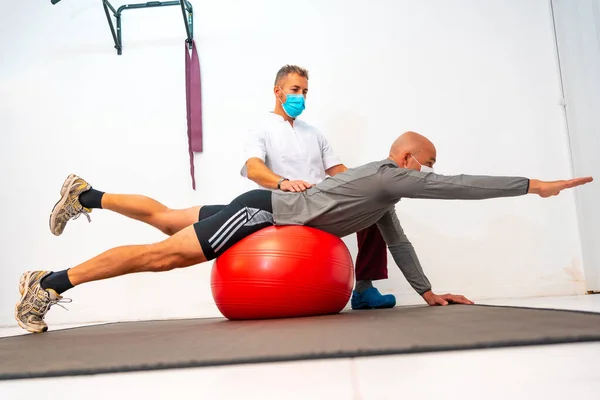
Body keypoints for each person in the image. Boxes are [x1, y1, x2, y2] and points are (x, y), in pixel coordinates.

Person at [16, 131, 592, 333]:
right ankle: (50, 282)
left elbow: (398, 241)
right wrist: (530, 185)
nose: (429, 174)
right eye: (426, 164)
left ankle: (84, 194)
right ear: (408, 157)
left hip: (260, 204)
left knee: (166, 217)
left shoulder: (377, 193)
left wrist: (426, 291)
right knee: (163, 255)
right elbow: (458, 185)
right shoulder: (390, 174)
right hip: (265, 216)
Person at [240, 64, 395, 310]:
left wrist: (372, 186)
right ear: (277, 91)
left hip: (322, 204)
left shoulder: (313, 133)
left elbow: (338, 171)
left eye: (305, 91)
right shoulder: (260, 129)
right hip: (288, 207)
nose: (300, 97)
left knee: (374, 208)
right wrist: (284, 182)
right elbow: (253, 168)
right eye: (295, 89)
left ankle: (364, 288)